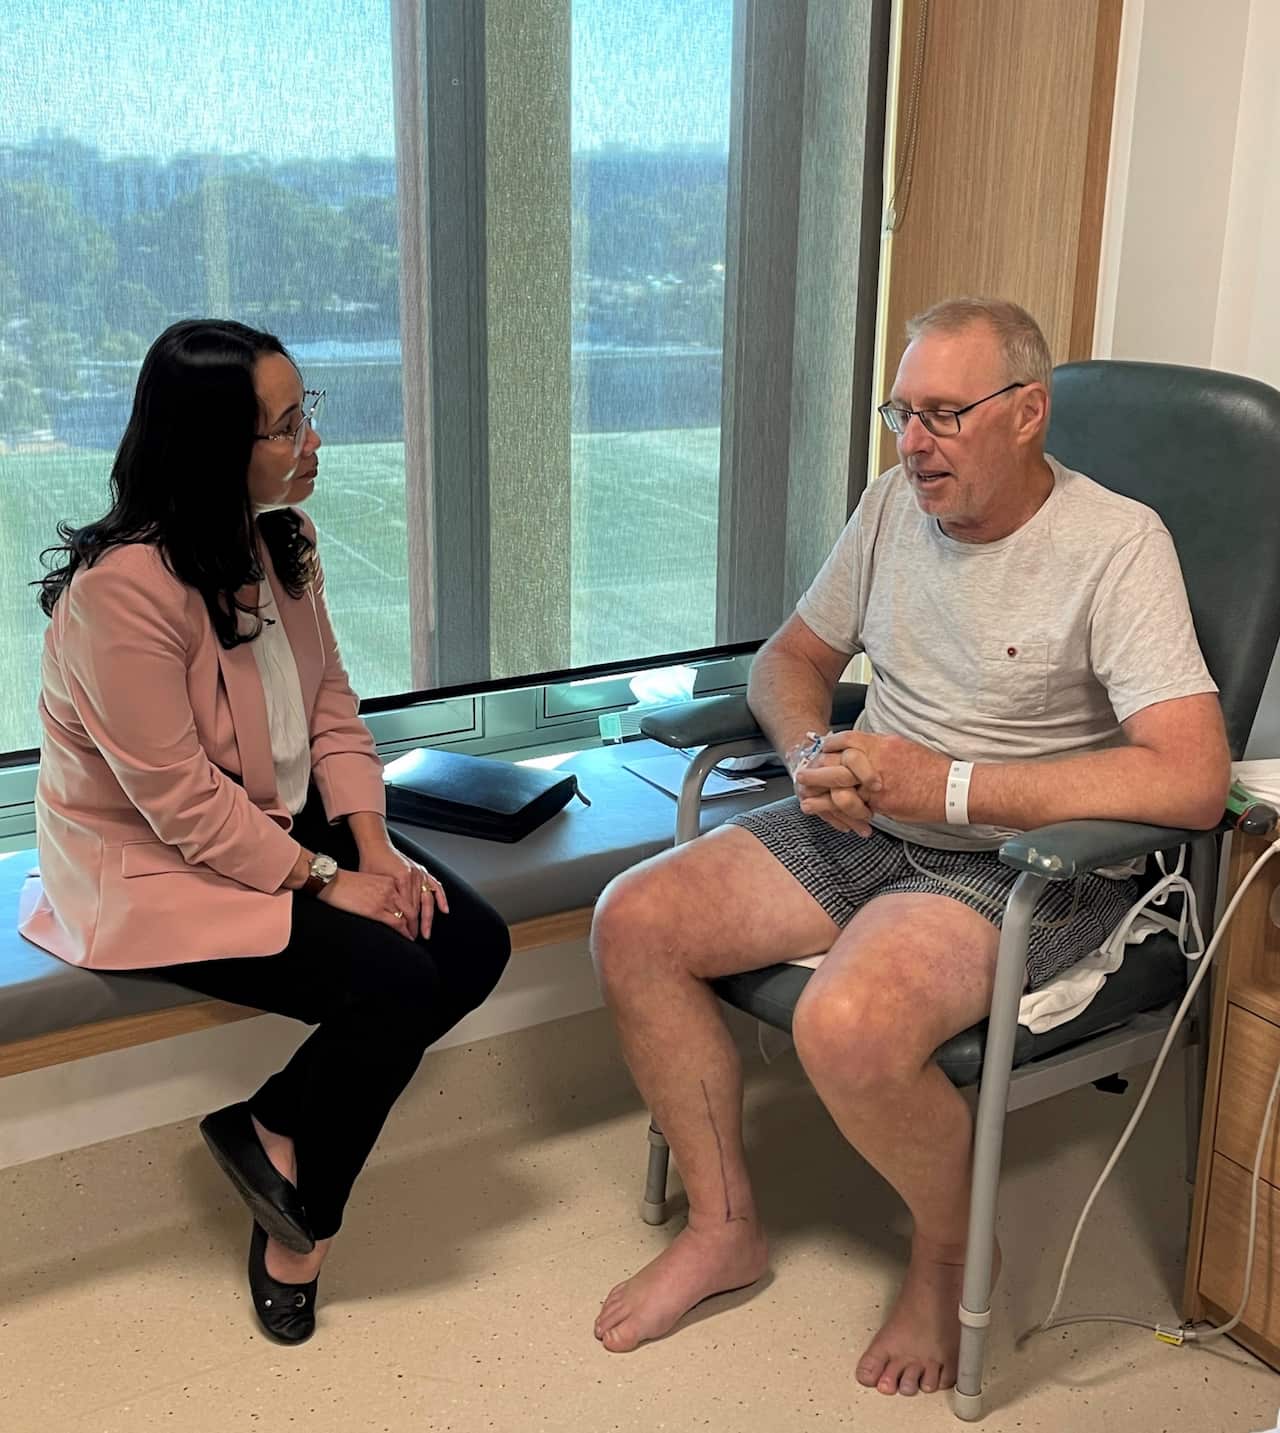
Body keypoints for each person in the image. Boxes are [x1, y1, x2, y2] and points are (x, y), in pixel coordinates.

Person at [589, 298, 1230, 1396]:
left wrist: (953, 786)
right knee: (633, 919)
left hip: (1028, 866)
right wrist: (807, 752)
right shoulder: (893, 504)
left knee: (848, 1022)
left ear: (1026, 413)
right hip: (870, 818)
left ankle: (948, 1256)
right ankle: (723, 1227)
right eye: (901, 413)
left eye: (943, 413)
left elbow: (1190, 775)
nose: (912, 443)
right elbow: (790, 658)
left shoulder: (1117, 544)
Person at [19, 318, 511, 1345]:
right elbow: (178, 802)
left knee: (470, 940)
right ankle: (303, 1235)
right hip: (149, 861)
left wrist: (374, 848)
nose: (312, 441)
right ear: (214, 449)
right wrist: (326, 879)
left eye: (304, 414)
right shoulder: (122, 595)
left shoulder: (281, 538)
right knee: (394, 981)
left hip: (269, 813)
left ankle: (271, 1121)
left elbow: (330, 705)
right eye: (286, 427)